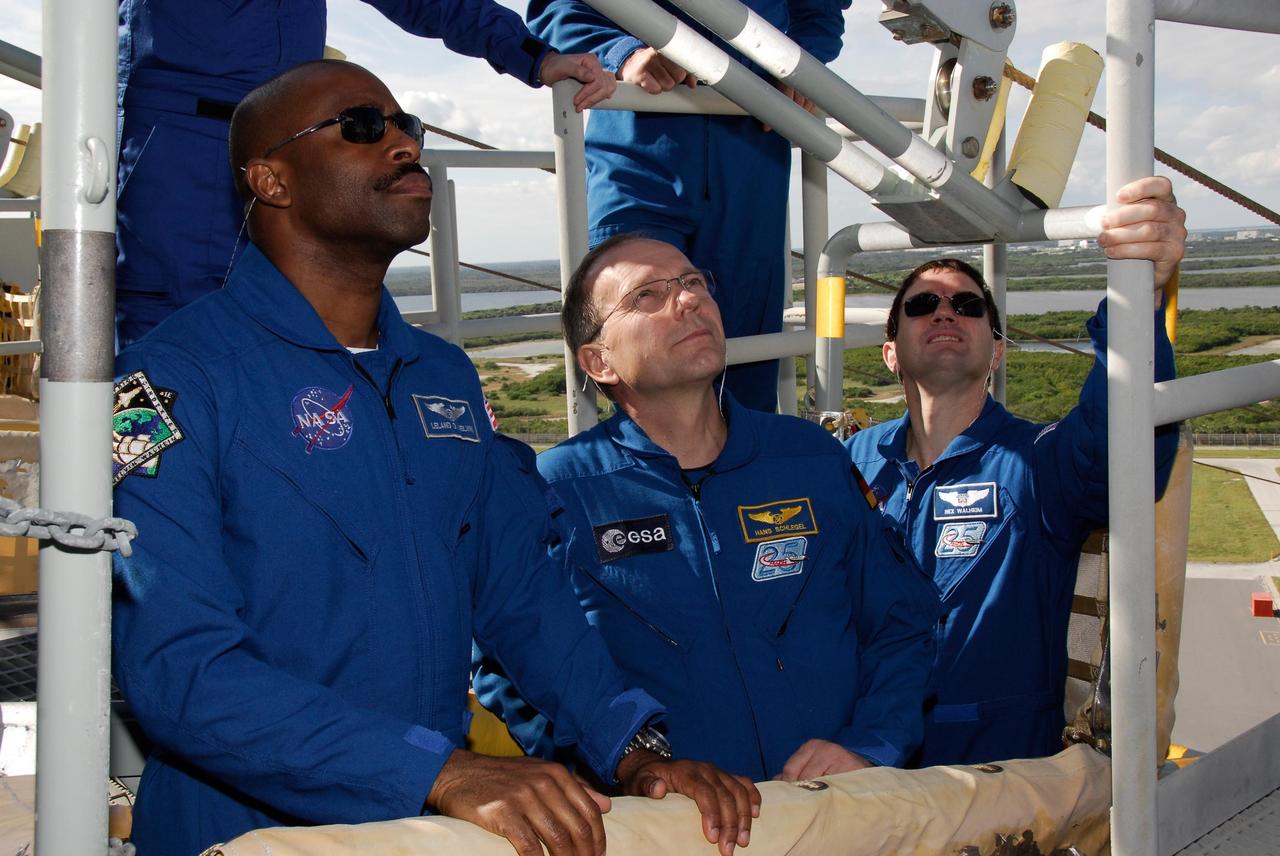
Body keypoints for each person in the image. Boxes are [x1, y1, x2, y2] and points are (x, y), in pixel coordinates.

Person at [111, 60, 760, 856]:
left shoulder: (441, 376)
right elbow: (183, 672)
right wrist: (438, 772)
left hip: (420, 831)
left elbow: (519, 596)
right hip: (242, 837)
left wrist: (635, 751)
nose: (401, 144)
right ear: (271, 180)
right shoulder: (174, 380)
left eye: (405, 126)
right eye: (360, 126)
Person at [474, 234, 937, 783]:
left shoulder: (809, 458)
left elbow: (903, 623)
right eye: (648, 294)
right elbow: (506, 668)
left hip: (832, 808)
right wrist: (622, 767)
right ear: (599, 362)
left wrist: (871, 745)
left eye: (694, 283)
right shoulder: (561, 492)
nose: (689, 300)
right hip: (674, 829)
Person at [844, 176, 1187, 767]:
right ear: (891, 350)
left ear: (996, 350)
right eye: (923, 305)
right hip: (865, 756)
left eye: (968, 306)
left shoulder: (1036, 461)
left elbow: (1122, 448)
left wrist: (1140, 292)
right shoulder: (852, 463)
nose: (945, 311)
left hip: (997, 771)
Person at [115, 0, 616, 347]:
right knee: (171, 336)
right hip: (183, 142)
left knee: (309, 327)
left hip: (302, 141)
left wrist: (534, 56)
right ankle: (153, 498)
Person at [526, 0, 851, 413]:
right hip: (638, 141)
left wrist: (804, 66)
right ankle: (644, 475)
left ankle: (743, 475)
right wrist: (623, 53)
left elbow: (819, 9)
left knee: (745, 355)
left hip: (752, 148)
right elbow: (558, 7)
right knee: (636, 349)